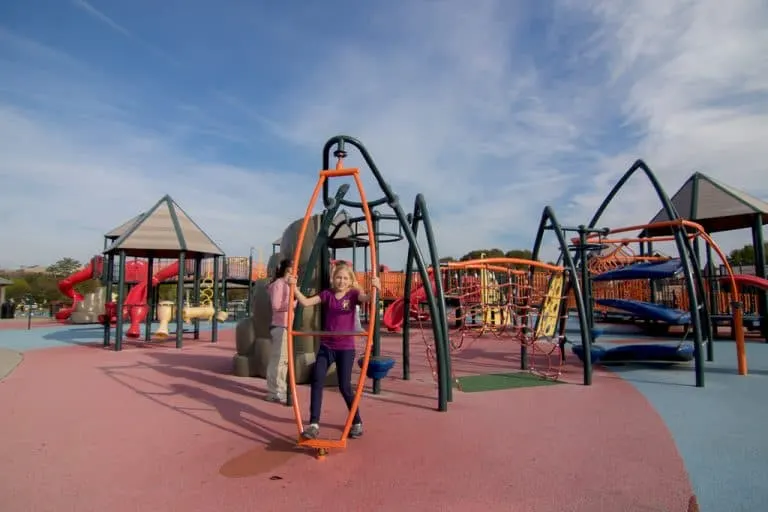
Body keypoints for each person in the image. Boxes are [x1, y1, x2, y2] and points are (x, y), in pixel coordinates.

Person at [287, 263, 381, 440]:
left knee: (344, 386)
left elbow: (367, 298)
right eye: (339, 277)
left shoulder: (353, 294)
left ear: (350, 281)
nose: (341, 281)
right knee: (317, 378)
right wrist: (294, 288)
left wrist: (375, 287)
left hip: (345, 348)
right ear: (333, 278)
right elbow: (306, 302)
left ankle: (357, 421)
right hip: (327, 345)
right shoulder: (327, 294)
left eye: (345, 278)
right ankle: (314, 423)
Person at [265, 258, 293, 404]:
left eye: (294, 272)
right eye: (289, 271)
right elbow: (276, 306)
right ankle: (274, 391)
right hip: (280, 326)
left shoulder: (289, 285)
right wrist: (292, 304)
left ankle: (279, 388)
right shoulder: (279, 284)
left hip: (287, 326)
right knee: (279, 360)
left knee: (285, 361)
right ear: (283, 271)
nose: (292, 274)